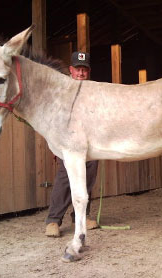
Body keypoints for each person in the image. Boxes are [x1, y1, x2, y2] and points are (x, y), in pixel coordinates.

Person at [45, 51, 99, 237]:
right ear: (71, 70)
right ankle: (53, 220)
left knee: (88, 177)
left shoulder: (92, 89)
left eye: (84, 69)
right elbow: (53, 118)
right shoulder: (62, 89)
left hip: (91, 142)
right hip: (68, 142)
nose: (81, 73)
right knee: (65, 178)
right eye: (78, 69)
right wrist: (55, 141)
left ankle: (80, 217)